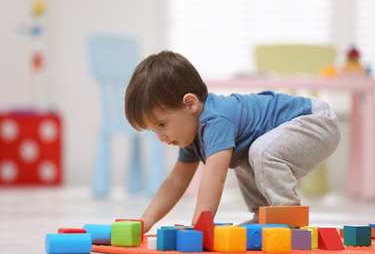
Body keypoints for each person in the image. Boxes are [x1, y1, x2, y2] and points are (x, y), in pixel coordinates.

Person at [124, 50, 341, 233]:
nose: (161, 137)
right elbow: (176, 181)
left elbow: (214, 178)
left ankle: (287, 216)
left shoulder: (216, 119)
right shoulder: (191, 136)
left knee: (259, 152)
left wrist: (199, 228)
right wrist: (148, 219)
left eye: (162, 124)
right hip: (302, 124)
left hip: (314, 120)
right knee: (244, 156)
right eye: (153, 130)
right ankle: (262, 216)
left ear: (190, 103)